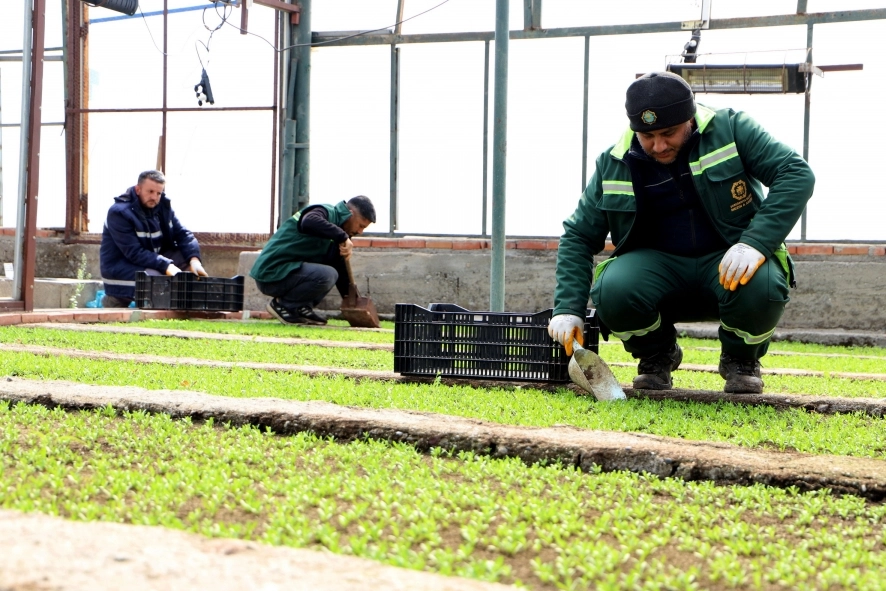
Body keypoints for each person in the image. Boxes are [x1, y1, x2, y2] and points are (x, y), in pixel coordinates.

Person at [548, 72, 815, 394]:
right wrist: (567, 308)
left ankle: (741, 360)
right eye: (647, 136)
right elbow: (578, 235)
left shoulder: (731, 129)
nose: (658, 146)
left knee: (763, 283)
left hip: (727, 261)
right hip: (657, 270)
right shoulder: (613, 161)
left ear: (689, 119)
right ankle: (657, 355)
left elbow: (795, 173)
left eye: (668, 133)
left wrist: (756, 243)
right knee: (612, 288)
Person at [250, 196, 375, 325]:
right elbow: (309, 221)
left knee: (332, 272)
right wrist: (342, 236)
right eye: (360, 225)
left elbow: (340, 267)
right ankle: (283, 305)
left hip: (288, 273)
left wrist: (354, 301)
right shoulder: (326, 212)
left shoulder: (338, 232)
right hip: (271, 273)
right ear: (350, 214)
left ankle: (301, 308)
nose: (360, 231)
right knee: (328, 274)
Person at [99, 170, 207, 308]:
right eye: (150, 191)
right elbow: (134, 252)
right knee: (156, 279)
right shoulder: (119, 213)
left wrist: (194, 259)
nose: (154, 197)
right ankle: (115, 300)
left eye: (158, 193)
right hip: (120, 268)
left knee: (186, 260)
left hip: (151, 261)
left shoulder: (163, 208)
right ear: (138, 189)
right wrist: (166, 265)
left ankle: (190, 305)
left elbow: (183, 234)